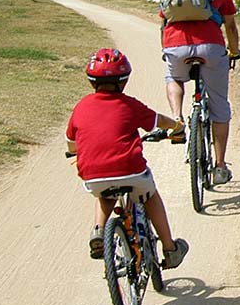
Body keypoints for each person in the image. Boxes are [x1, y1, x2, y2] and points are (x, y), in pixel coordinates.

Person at [66, 48, 189, 267]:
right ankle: (170, 249)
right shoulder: (129, 105)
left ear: (91, 82)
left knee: (105, 194)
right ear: (123, 81)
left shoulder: (81, 107)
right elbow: (157, 120)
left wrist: (77, 153)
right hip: (131, 172)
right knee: (150, 196)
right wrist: (176, 126)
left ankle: (99, 231)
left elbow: (71, 143)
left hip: (93, 177)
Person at [160, 0, 240, 185]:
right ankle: (220, 166)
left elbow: (164, 21)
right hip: (211, 46)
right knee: (219, 104)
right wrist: (233, 51)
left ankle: (177, 120)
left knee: (173, 77)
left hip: (175, 45)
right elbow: (231, 26)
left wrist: (165, 49)